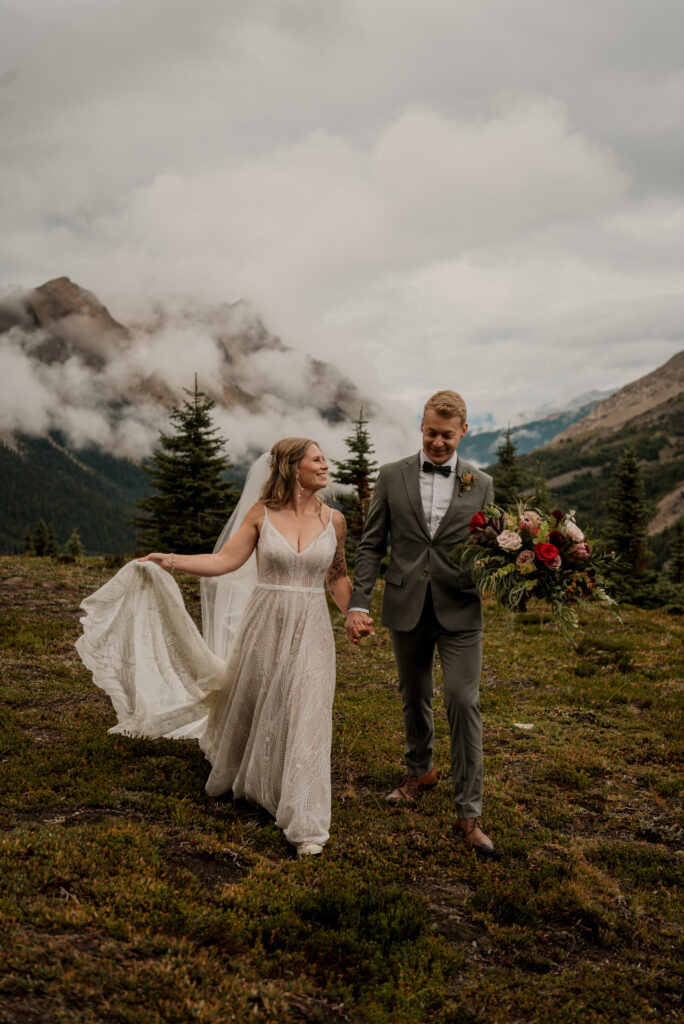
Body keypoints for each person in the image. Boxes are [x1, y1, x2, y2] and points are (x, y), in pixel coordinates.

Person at [76, 438, 352, 858]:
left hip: (312, 625)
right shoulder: (262, 514)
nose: (325, 465)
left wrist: (355, 613)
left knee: (309, 708)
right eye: (317, 459)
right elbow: (224, 562)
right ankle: (255, 775)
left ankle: (306, 820)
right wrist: (171, 560)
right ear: (293, 468)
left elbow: (337, 577)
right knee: (261, 701)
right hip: (266, 623)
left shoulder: (335, 521)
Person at [345, 391, 496, 856]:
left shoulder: (482, 483)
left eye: (446, 436)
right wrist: (359, 603)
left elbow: (488, 543)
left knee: (462, 700)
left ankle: (469, 813)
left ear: (463, 432)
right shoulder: (391, 476)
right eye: (430, 433)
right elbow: (372, 546)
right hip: (407, 604)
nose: (437, 442)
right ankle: (420, 771)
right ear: (422, 426)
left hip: (460, 609)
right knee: (413, 696)